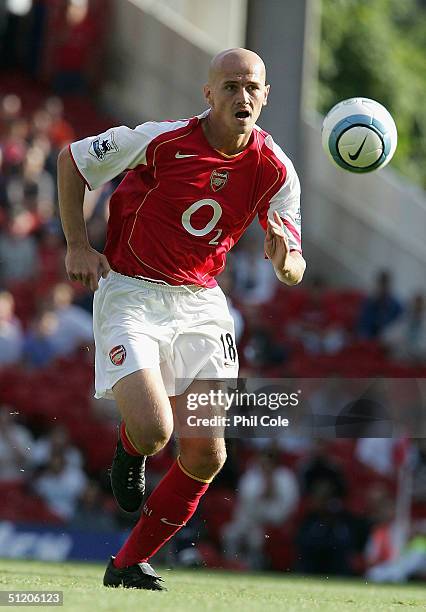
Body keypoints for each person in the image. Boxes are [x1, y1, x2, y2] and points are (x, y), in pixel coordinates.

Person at [57, 47, 305, 591]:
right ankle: (130, 448)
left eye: (253, 88)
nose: (243, 97)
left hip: (202, 302)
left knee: (207, 452)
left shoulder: (277, 169)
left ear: (265, 96)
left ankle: (126, 564)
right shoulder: (161, 140)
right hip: (131, 293)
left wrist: (288, 262)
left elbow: (294, 259)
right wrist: (77, 244)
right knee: (152, 432)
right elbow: (73, 160)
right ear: (209, 93)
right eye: (232, 86)